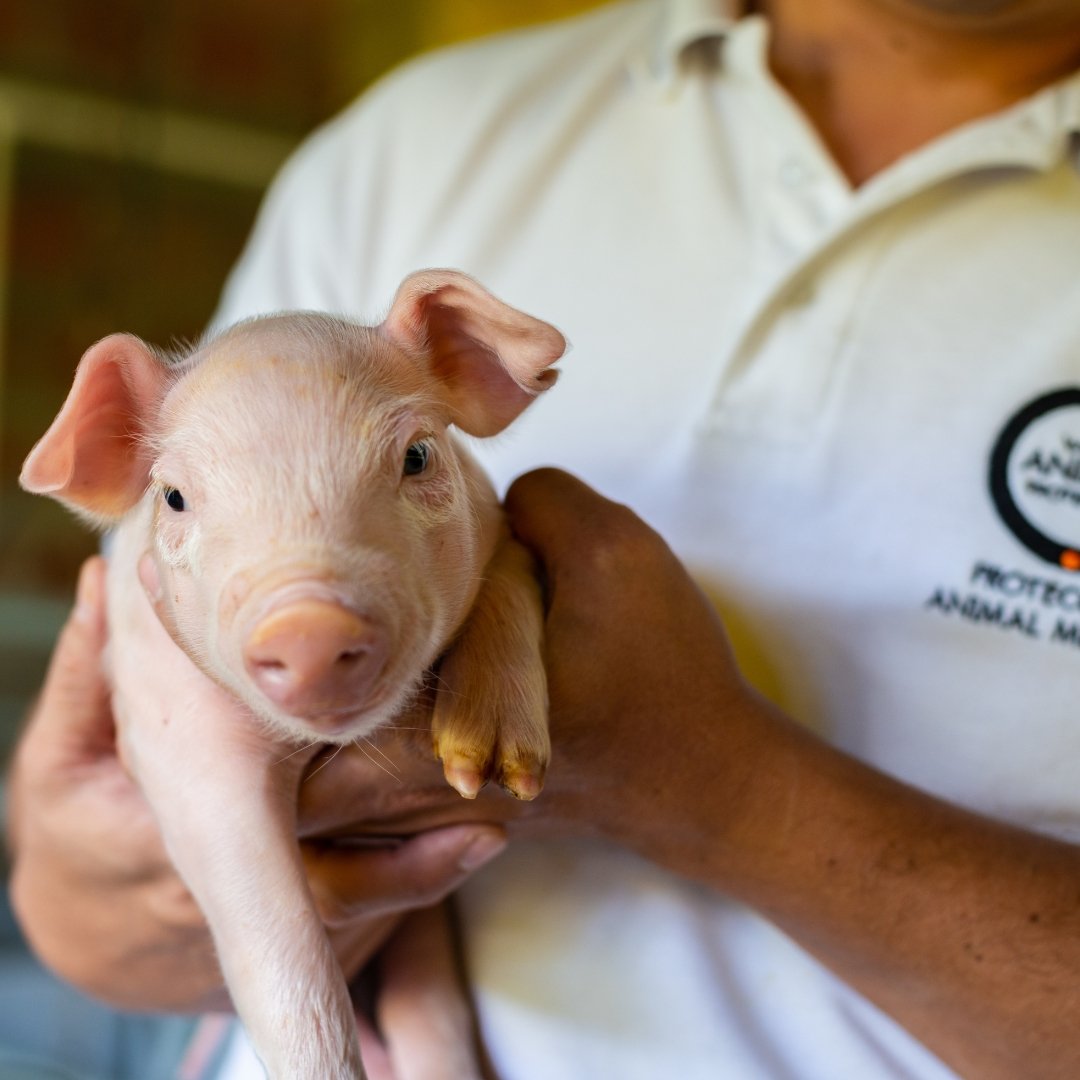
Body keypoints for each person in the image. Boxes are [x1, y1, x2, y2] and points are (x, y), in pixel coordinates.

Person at [8, 0, 1080, 1076]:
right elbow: (102, 875)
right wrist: (108, 894)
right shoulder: (422, 137)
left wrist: (715, 782)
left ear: (476, 368)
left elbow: (497, 560)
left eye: (416, 460)